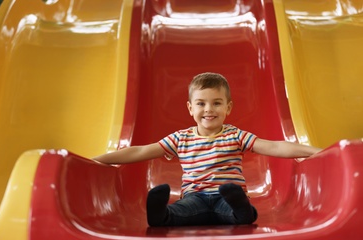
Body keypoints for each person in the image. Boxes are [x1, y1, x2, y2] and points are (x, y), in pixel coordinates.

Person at [93, 72, 322, 227]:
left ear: (228, 107)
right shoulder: (180, 138)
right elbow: (140, 151)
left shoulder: (235, 135)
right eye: (201, 103)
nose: (208, 109)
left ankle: (242, 209)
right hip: (196, 197)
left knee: (235, 211)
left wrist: (314, 152)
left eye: (217, 103)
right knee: (182, 210)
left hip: (226, 197)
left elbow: (273, 146)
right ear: (190, 108)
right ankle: (159, 214)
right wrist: (99, 160)